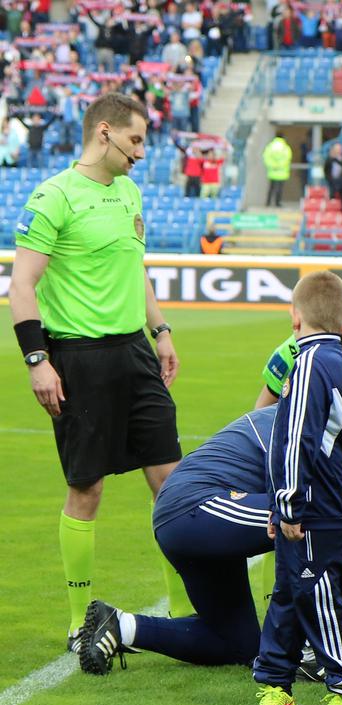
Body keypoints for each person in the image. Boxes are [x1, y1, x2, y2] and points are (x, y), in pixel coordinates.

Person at [77, 384, 342, 675]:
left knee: (234, 644)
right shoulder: (310, 430)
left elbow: (337, 466)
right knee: (310, 520)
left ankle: (121, 626)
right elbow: (303, 488)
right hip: (193, 510)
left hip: (198, 519)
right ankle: (310, 651)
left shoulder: (322, 418)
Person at [9, 92, 186, 653]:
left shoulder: (129, 191)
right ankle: (77, 616)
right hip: (78, 359)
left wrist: (160, 331)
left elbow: (137, 270)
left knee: (173, 485)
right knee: (87, 489)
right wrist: (37, 361)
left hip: (134, 353)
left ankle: (184, 611)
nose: (141, 153)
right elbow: (21, 285)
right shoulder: (54, 195)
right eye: (135, 140)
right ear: (104, 132)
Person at [250, 271, 342, 705]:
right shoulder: (331, 361)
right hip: (315, 503)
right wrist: (278, 505)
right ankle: (276, 686)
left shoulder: (311, 364)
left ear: (294, 317)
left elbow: (297, 437)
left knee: (316, 594)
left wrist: (290, 504)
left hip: (317, 507)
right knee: (287, 593)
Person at [263, 132, 292, 208]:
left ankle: (268, 202)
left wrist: (273, 165)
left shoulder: (270, 146)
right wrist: (280, 166)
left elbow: (266, 157)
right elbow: (287, 158)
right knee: (279, 188)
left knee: (271, 188)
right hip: (282, 172)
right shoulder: (285, 148)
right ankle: (277, 203)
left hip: (272, 171)